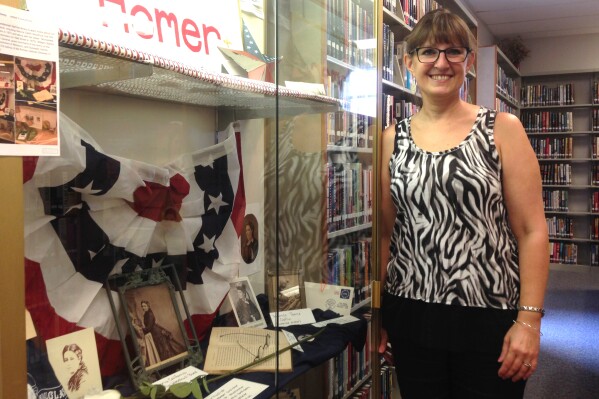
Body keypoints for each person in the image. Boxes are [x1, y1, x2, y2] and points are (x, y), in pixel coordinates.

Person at [378, 9, 549, 399]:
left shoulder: (502, 129)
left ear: (468, 63)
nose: (441, 62)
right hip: (411, 316)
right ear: (408, 62)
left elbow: (532, 231)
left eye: (453, 51)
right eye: (428, 52)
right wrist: (380, 314)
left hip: (489, 318)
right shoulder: (392, 138)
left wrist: (529, 322)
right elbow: (388, 233)